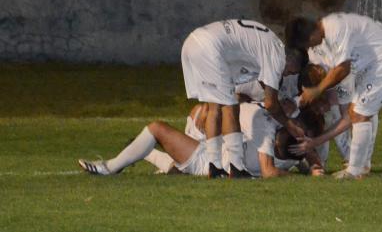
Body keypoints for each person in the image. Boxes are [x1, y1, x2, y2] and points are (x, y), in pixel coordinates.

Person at [78, 59, 326, 178]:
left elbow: (270, 168)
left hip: (210, 157)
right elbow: (285, 160)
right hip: (210, 143)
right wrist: (314, 168)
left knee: (156, 129)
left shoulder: (271, 125)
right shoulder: (267, 121)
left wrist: (312, 166)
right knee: (195, 124)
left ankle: (111, 167)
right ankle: (147, 153)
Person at [284, 12, 382, 180]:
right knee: (361, 111)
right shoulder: (316, 53)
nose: (310, 47)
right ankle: (358, 165)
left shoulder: (336, 29)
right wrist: (300, 101)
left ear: (312, 34)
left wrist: (318, 91)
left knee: (359, 113)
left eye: (309, 43)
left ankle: (355, 168)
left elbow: (342, 71)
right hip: (370, 68)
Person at [180, 19, 306, 178]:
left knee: (218, 107)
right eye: (291, 71)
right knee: (230, 106)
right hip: (209, 47)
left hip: (195, 42)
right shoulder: (277, 56)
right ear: (291, 60)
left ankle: (215, 166)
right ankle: (236, 167)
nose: (287, 74)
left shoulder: (265, 48)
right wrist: (290, 125)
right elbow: (270, 104)